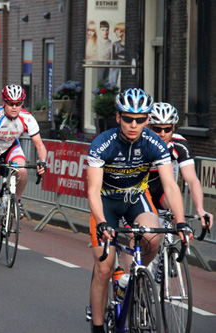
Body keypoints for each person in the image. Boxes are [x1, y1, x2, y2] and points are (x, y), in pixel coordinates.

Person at [87, 88, 191, 333]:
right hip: (106, 201)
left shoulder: (154, 142)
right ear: (118, 117)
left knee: (154, 239)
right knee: (104, 266)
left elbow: (170, 186)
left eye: (141, 119)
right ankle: (98, 326)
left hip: (136, 198)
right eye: (128, 118)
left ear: (147, 119)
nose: (134, 124)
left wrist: (181, 222)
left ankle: (131, 277)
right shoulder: (103, 143)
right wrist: (102, 222)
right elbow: (92, 190)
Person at [0, 84, 47, 253]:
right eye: (11, 103)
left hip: (10, 148)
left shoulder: (27, 118)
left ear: (22, 104)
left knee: (22, 171)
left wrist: (42, 162)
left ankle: (18, 201)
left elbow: (39, 144)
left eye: (18, 103)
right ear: (4, 103)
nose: (14, 107)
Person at [147, 102, 213, 229]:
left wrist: (200, 209)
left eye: (167, 129)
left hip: (164, 191)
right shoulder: (141, 144)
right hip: (142, 191)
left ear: (173, 128)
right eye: (157, 129)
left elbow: (192, 180)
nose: (162, 134)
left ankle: (173, 245)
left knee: (178, 214)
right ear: (149, 127)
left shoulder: (179, 144)